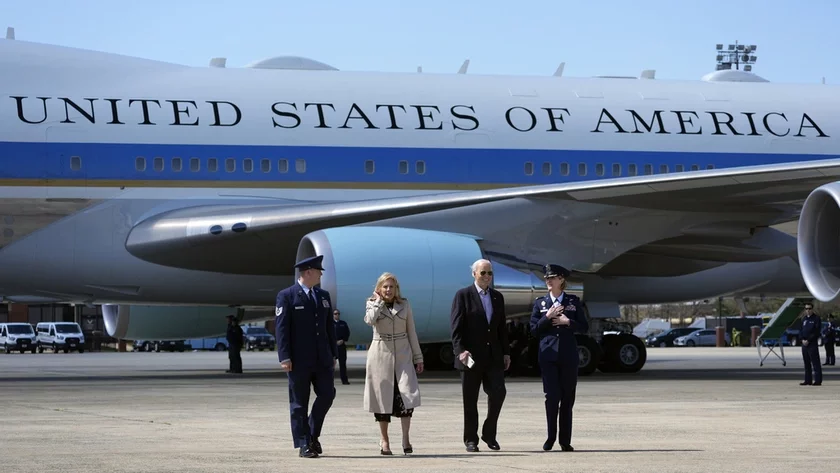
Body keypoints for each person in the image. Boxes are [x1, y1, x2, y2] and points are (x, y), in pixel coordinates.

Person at [275, 254, 338, 458]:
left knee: (327, 394)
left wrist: (334, 354)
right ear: (308, 272)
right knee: (299, 403)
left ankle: (312, 434)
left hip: (323, 358)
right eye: (319, 271)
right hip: (298, 360)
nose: (321, 275)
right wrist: (285, 357)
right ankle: (304, 443)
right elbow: (281, 329)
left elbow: (329, 328)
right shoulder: (287, 296)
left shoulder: (323, 295)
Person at [450, 259, 510, 452]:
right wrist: (460, 351)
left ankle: (489, 433)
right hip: (470, 357)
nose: (487, 277)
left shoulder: (497, 297)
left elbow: (501, 328)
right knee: (470, 399)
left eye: (489, 273)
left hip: (493, 355)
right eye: (483, 273)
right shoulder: (463, 295)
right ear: (474, 274)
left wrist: (506, 352)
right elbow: (456, 328)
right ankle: (471, 439)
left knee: (499, 393)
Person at [363, 272, 424, 455]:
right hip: (380, 355)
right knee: (382, 401)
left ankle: (405, 438)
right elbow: (369, 320)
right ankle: (384, 440)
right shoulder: (371, 303)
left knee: (407, 397)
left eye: (392, 286)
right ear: (379, 288)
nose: (388, 290)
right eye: (385, 287)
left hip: (403, 355)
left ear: (396, 288)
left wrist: (418, 357)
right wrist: (378, 302)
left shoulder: (404, 304)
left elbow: (411, 331)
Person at [530, 263, 588, 452]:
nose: (548, 280)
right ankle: (550, 437)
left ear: (561, 279)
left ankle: (565, 440)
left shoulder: (572, 302)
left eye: (552, 277)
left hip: (568, 355)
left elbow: (584, 327)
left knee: (567, 397)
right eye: (547, 278)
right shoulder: (540, 303)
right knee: (552, 397)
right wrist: (547, 317)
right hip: (548, 355)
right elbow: (533, 330)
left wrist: (567, 321)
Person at [799, 303, 822, 386]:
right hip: (804, 344)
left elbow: (816, 331)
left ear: (812, 309)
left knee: (815, 362)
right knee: (806, 363)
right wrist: (802, 339)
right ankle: (807, 380)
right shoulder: (804, 319)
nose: (808, 310)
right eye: (806, 309)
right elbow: (800, 330)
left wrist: (808, 340)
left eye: (809, 308)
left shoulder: (816, 318)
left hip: (812, 343)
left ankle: (818, 380)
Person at [333, 309, 351, 385]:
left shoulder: (343, 323)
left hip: (341, 345)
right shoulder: (330, 324)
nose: (337, 315)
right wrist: (334, 342)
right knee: (331, 365)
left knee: (342, 364)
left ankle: (344, 380)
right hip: (333, 346)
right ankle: (330, 381)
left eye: (338, 314)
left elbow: (347, 333)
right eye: (335, 314)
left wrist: (343, 340)